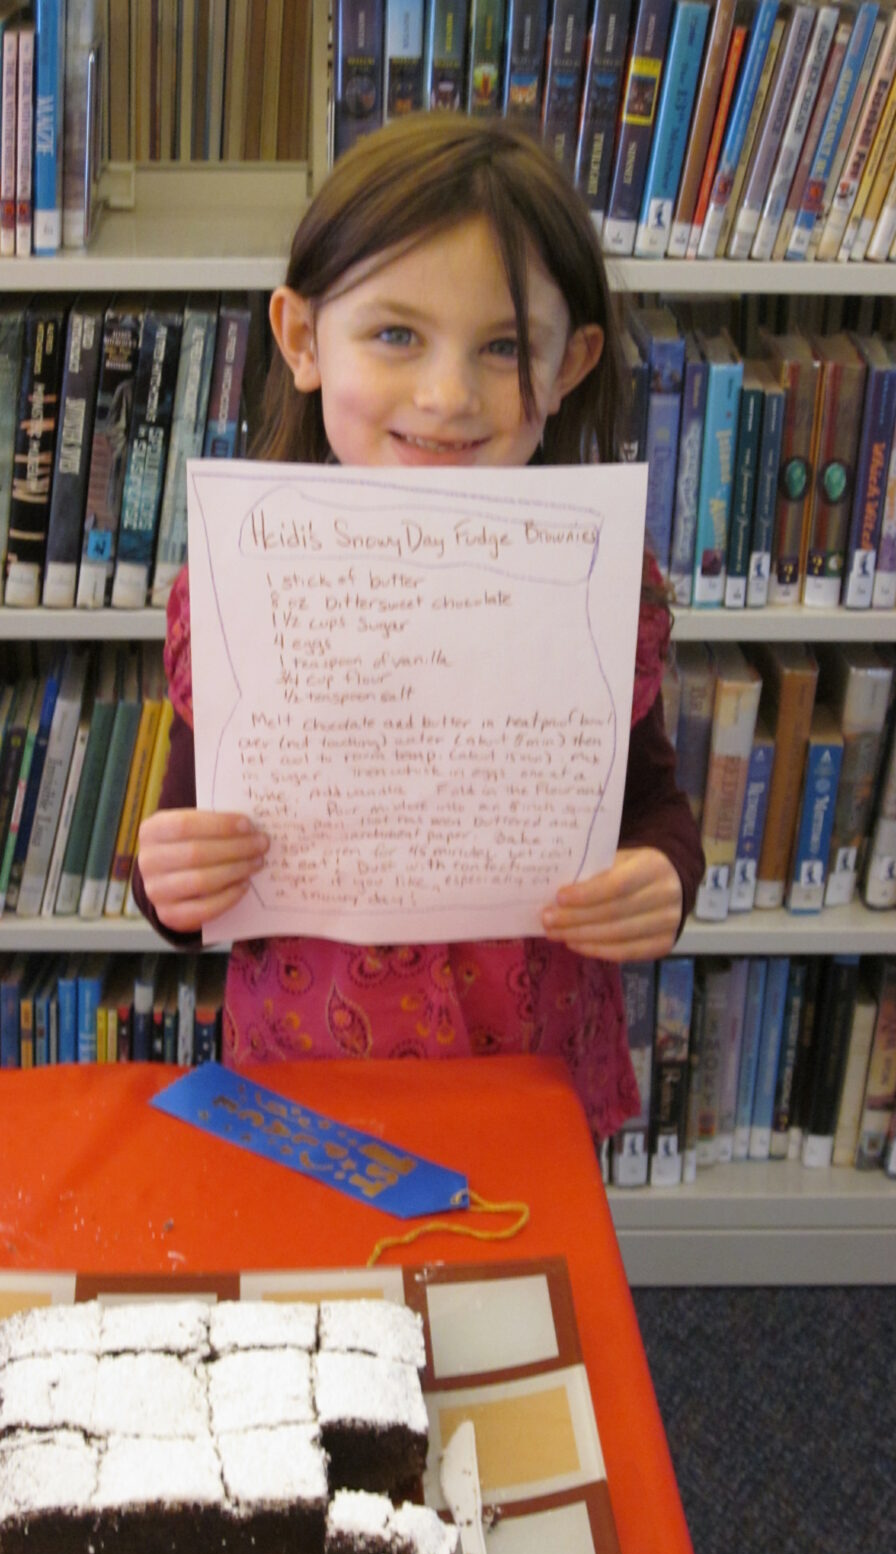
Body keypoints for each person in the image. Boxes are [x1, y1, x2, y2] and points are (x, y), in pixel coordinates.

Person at [131, 113, 705, 1139]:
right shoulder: (247, 583)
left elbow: (652, 795)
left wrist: (663, 875)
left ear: (570, 363)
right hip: (310, 1072)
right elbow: (190, 842)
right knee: (317, 1285)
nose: (447, 396)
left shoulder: (597, 580)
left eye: (502, 347)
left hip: (528, 1065)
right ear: (305, 340)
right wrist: (171, 880)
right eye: (396, 334)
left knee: (520, 1283)